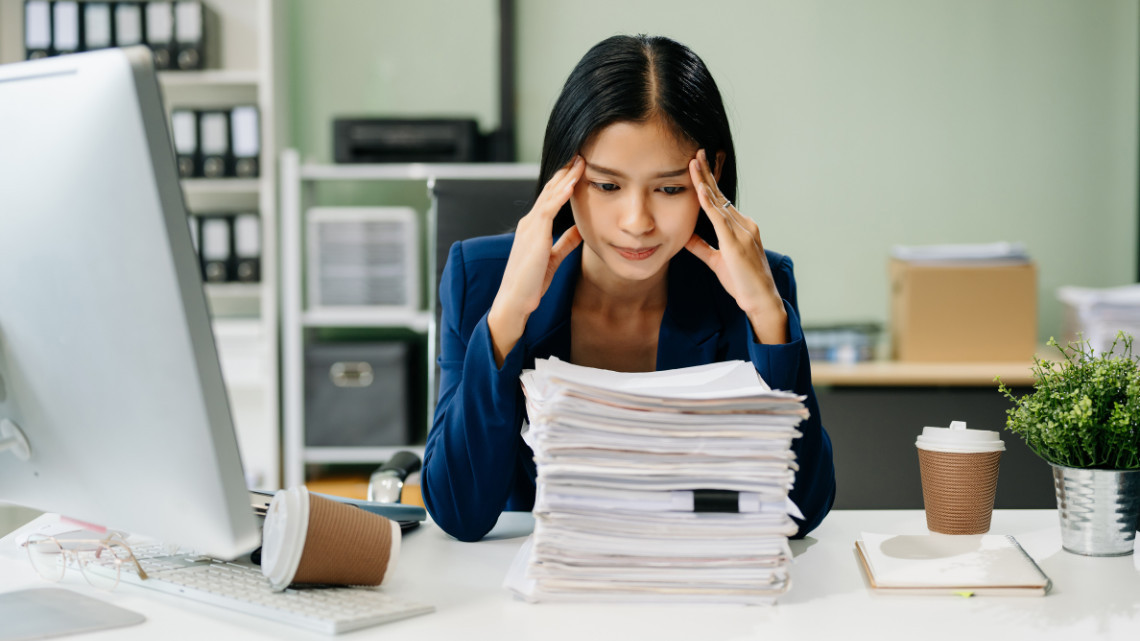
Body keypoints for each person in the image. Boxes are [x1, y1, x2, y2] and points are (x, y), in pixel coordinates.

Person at [422, 34, 835, 542]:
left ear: (713, 176)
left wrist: (768, 320)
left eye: (669, 189)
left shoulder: (755, 285)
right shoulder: (480, 277)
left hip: (696, 586)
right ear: (565, 175)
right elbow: (460, 513)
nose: (637, 221)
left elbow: (800, 512)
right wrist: (509, 316)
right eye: (607, 186)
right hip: (540, 591)